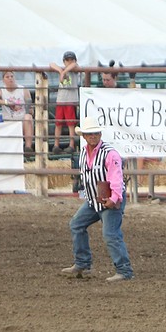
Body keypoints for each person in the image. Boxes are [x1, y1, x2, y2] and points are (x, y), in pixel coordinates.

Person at [60, 116, 134, 282]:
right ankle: (82, 263)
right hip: (94, 200)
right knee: (76, 225)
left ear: (99, 134)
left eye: (95, 133)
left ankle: (124, 270)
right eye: (89, 133)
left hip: (110, 201)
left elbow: (116, 178)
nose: (93, 136)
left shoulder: (110, 154)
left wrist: (114, 199)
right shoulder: (85, 152)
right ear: (84, 136)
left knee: (110, 234)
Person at [0, 70, 35, 154]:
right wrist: (6, 102)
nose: (10, 79)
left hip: (22, 121)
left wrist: (29, 109)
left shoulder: (23, 90)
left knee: (28, 117)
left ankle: (28, 147)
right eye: (7, 77)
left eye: (12, 76)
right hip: (9, 122)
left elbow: (30, 109)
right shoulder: (1, 90)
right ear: (3, 80)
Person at [49, 51, 81, 153]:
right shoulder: (63, 69)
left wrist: (64, 71)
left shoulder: (75, 69)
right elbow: (51, 64)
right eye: (67, 60)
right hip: (61, 100)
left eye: (71, 59)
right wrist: (61, 71)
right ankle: (56, 145)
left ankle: (71, 145)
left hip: (70, 100)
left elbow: (74, 66)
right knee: (58, 123)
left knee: (71, 124)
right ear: (64, 61)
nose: (70, 62)